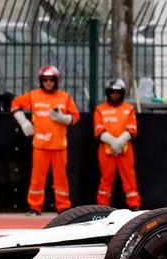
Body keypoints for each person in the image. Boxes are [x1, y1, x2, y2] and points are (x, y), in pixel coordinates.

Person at [11, 64, 80, 215]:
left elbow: (75, 117)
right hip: (40, 145)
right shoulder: (33, 95)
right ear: (41, 80)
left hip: (59, 145)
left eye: (51, 79)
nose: (48, 82)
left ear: (56, 81)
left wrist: (63, 118)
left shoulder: (65, 97)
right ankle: (35, 207)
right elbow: (15, 104)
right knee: (37, 179)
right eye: (45, 79)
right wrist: (23, 121)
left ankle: (63, 207)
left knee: (61, 179)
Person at [94, 78, 140, 209]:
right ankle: (102, 206)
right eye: (112, 92)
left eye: (118, 92)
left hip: (124, 149)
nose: (115, 95)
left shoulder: (129, 109)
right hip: (106, 149)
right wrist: (112, 142)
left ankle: (134, 204)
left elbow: (132, 129)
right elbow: (98, 130)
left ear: (122, 93)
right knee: (106, 179)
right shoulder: (99, 109)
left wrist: (119, 142)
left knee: (129, 178)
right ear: (108, 93)